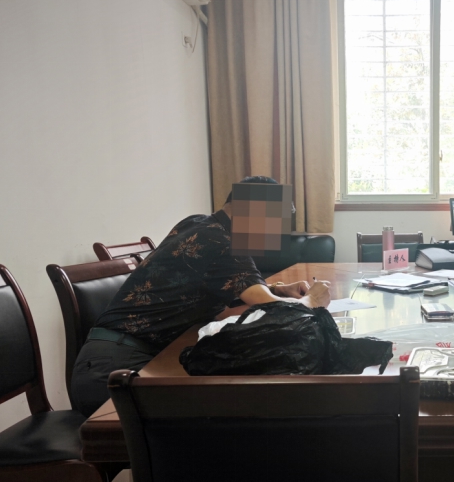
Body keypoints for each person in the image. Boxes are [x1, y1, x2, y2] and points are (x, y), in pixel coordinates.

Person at [71, 176, 330, 417]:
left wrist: (277, 289)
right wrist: (312, 300)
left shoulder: (197, 223)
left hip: (112, 358)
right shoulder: (224, 244)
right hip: (115, 373)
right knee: (222, 417)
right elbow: (281, 312)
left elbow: (219, 292)